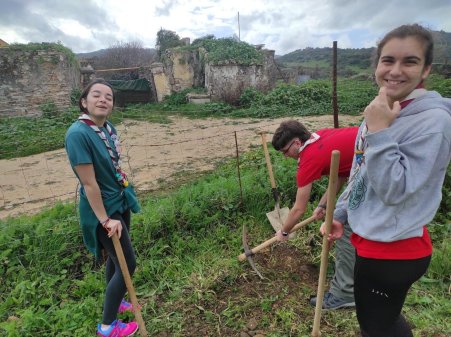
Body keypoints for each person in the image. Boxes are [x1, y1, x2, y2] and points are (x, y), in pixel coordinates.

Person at [322, 24, 451, 337]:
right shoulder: (382, 109)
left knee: (378, 327)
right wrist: (341, 213)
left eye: (409, 61)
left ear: (425, 70)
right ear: (377, 65)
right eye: (388, 60)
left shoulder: (434, 121)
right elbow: (361, 170)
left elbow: (396, 190)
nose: (395, 70)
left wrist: (379, 131)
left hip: (395, 248)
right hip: (371, 238)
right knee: (378, 321)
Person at [65, 78, 141, 337]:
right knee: (128, 264)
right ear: (84, 102)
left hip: (119, 200)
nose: (103, 100)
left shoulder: (109, 129)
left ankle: (117, 299)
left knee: (116, 259)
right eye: (96, 95)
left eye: (108, 96)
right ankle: (108, 327)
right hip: (102, 209)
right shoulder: (77, 134)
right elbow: (89, 184)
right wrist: (106, 220)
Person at [271, 120, 358, 309]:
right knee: (350, 223)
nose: (286, 156)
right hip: (369, 165)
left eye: (285, 151)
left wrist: (284, 232)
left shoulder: (309, 158)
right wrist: (323, 204)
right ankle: (362, 278)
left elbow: (298, 209)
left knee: (345, 228)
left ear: (297, 143)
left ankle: (344, 294)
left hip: (376, 170)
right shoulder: (321, 136)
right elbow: (341, 172)